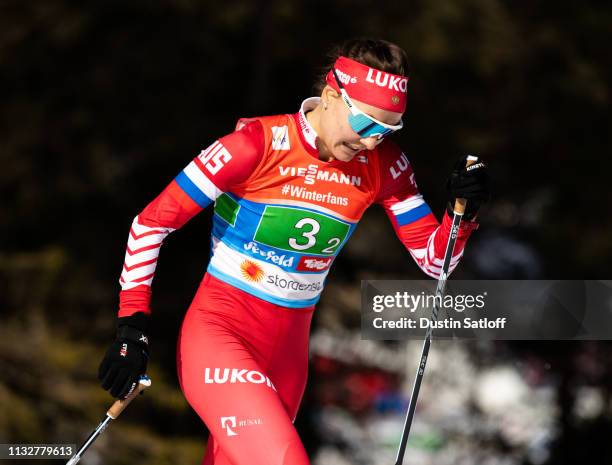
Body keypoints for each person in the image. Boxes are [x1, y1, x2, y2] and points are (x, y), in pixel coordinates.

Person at [97, 38, 490, 465]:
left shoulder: (383, 166)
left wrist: (459, 213)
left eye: (388, 130)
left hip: (288, 356)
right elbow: (152, 223)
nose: (373, 142)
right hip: (220, 337)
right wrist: (130, 329)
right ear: (331, 96)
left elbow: (436, 260)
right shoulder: (254, 145)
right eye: (366, 124)